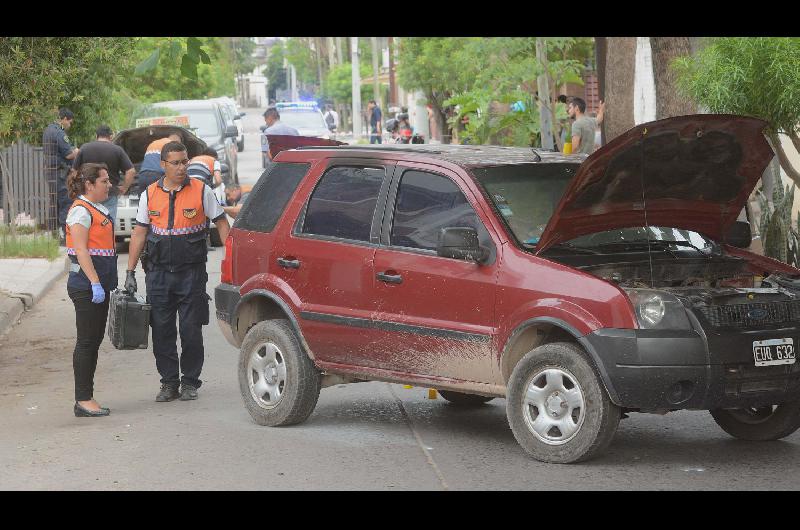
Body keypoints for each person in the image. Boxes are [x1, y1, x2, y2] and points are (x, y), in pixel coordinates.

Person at [125, 142, 231, 402]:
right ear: (163, 165)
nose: (182, 167)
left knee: (190, 329)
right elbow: (139, 233)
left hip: (191, 273)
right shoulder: (149, 193)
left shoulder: (201, 190)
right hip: (158, 274)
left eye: (184, 161)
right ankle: (169, 382)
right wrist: (129, 271)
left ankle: (190, 381)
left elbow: (221, 223)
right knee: (161, 330)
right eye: (176, 163)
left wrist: (231, 260)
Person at [64, 163, 116, 417]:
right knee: (87, 342)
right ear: (89, 184)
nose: (109, 185)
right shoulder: (80, 211)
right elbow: (81, 249)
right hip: (86, 287)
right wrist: (95, 282)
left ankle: (87, 396)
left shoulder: (94, 209)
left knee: (93, 341)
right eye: (104, 181)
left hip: (97, 286)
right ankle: (83, 399)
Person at [70, 125, 135, 223]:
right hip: (109, 192)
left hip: (89, 192)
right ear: (111, 136)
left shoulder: (84, 148)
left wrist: (78, 188)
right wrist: (124, 188)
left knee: (88, 221)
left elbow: (74, 172)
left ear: (96, 136)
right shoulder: (117, 150)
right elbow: (131, 171)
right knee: (107, 223)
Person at [43, 108, 79, 238]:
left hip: (51, 172)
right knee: (65, 202)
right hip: (60, 173)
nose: (70, 125)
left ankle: (54, 234)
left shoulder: (48, 130)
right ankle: (65, 235)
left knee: (54, 202)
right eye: (69, 122)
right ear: (64, 119)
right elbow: (69, 154)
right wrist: (77, 151)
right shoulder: (59, 133)